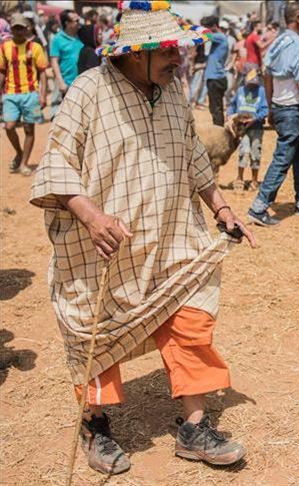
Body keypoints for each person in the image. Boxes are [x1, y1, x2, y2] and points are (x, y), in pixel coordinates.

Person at [29, 1, 257, 475]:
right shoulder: (89, 90)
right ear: (137, 53)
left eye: (179, 49)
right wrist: (91, 216)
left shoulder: (172, 91)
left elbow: (194, 154)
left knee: (190, 321)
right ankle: (96, 425)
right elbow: (56, 162)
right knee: (94, 334)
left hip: (172, 235)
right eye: (170, 50)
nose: (179, 58)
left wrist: (223, 207)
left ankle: (194, 427)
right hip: (103, 248)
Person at [247, 1, 299, 226]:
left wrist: (271, 107)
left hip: (280, 107)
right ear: (298, 17)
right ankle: (259, 207)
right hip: (291, 110)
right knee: (282, 159)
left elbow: (267, 76)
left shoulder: (277, 43)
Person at [1, 12, 48, 174]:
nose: (18, 31)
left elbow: (42, 73)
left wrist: (42, 95)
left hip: (32, 95)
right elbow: (2, 71)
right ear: (12, 29)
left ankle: (24, 163)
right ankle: (20, 153)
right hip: (11, 93)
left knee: (30, 129)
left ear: (27, 29)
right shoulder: (4, 47)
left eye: (21, 28)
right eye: (16, 28)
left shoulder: (35, 47)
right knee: (9, 126)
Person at [227, 69, 268, 191]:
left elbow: (265, 109)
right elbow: (232, 105)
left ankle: (254, 180)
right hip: (242, 128)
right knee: (243, 151)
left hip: (256, 127)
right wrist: (229, 115)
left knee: (255, 152)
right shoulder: (240, 91)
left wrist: (255, 119)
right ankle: (240, 178)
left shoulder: (261, 91)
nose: (251, 85)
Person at [201, 16, 228, 126]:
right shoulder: (218, 39)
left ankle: (219, 132)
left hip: (216, 79)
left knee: (216, 109)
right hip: (215, 78)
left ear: (214, 26)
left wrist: (184, 23)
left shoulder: (220, 37)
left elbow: (203, 35)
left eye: (207, 27)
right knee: (215, 108)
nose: (206, 30)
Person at [49, 9, 83, 97]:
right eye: (77, 21)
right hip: (68, 84)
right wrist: (61, 82)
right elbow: (54, 62)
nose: (80, 22)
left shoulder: (82, 35)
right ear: (67, 23)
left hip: (84, 84)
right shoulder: (57, 39)